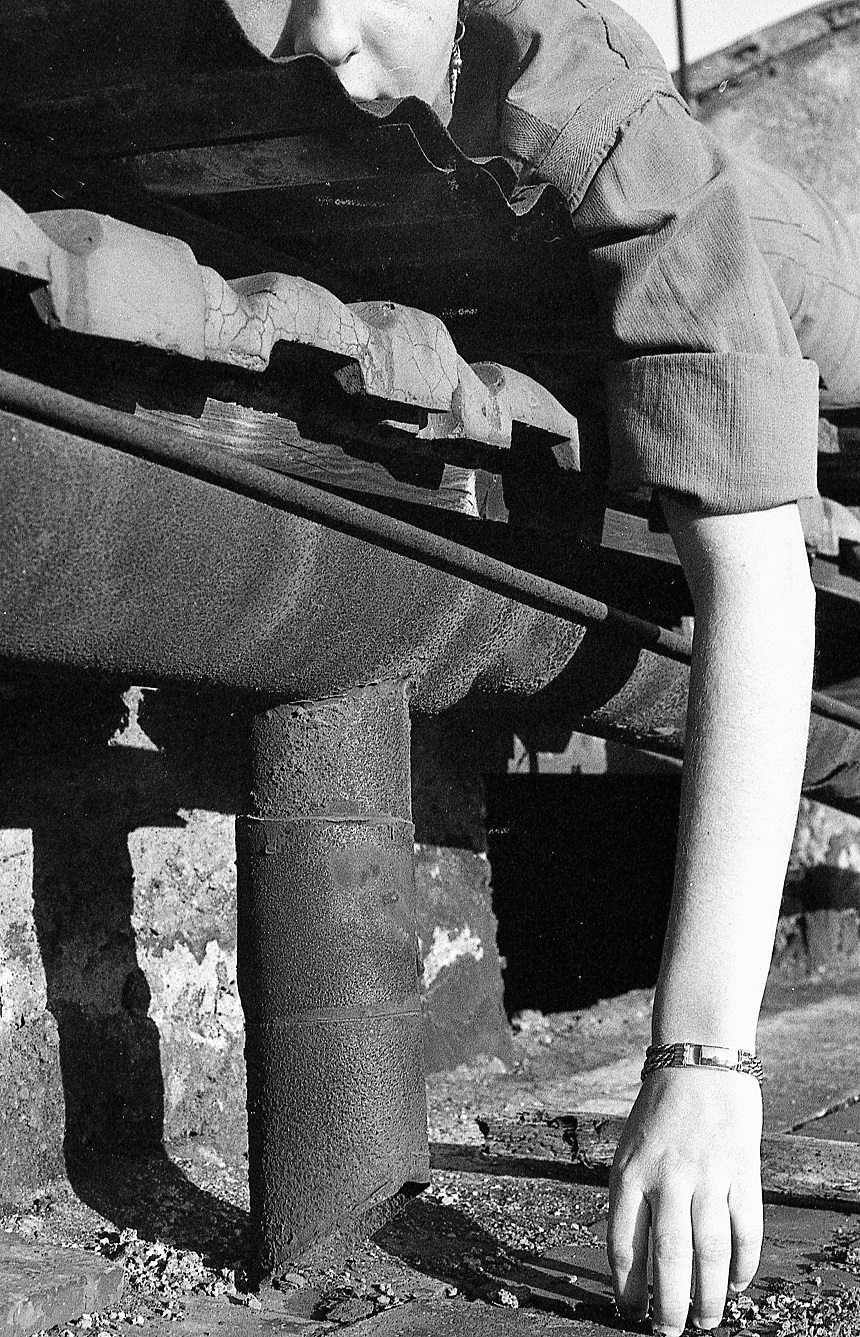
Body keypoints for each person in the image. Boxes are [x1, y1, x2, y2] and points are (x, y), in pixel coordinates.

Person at [222, 1, 855, 1332]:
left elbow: (760, 587)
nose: (306, 40)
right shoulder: (284, 67)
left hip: (806, 297)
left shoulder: (605, 126)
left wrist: (703, 1059)